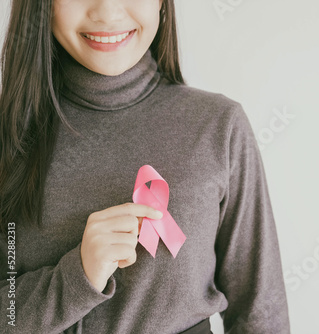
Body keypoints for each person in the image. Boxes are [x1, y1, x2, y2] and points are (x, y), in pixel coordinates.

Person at [0, 0, 290, 333]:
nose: (107, 14)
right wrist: (76, 277)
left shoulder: (219, 126)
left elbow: (261, 316)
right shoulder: (8, 137)